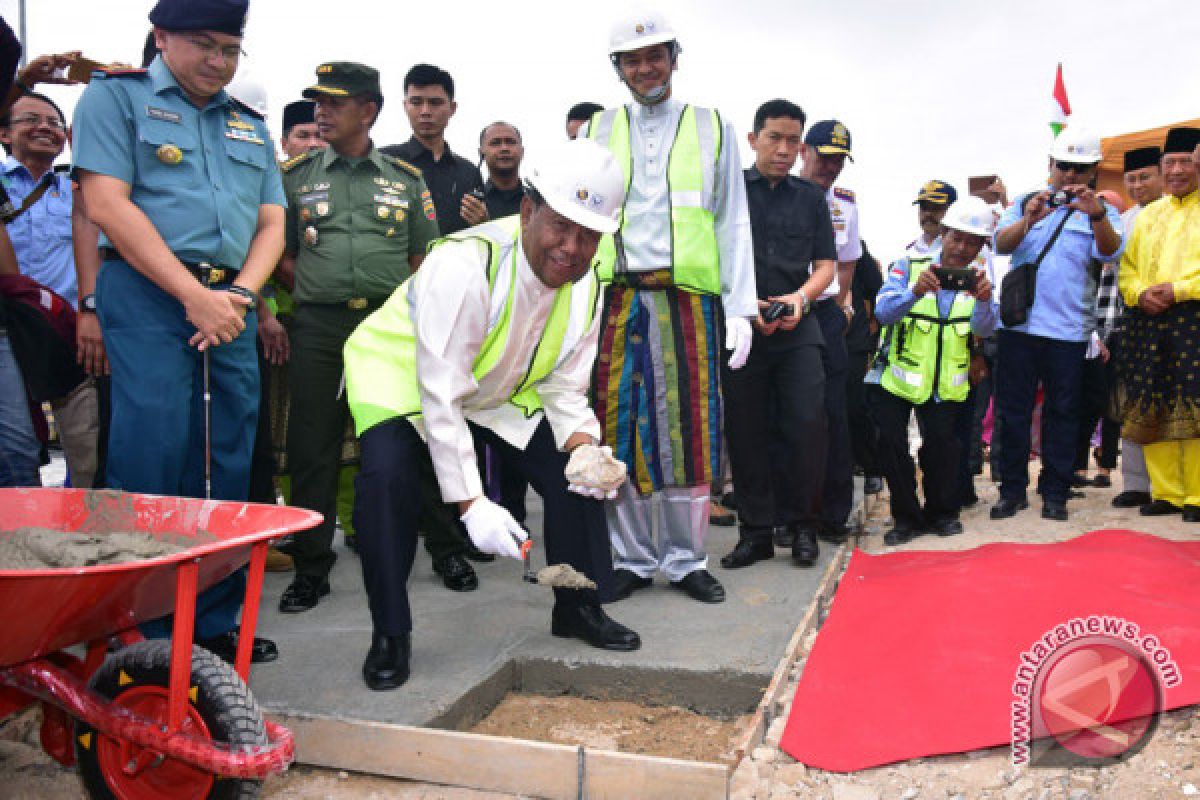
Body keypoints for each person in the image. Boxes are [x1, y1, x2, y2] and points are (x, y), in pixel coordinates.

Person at [342, 139, 642, 690]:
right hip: (406, 379)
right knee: (388, 483)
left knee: (573, 481)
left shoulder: (589, 278)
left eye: (589, 234)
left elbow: (566, 383)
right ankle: (391, 634)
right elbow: (441, 395)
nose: (572, 249)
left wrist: (582, 447)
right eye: (560, 226)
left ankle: (576, 606)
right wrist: (472, 502)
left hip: (495, 386)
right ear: (527, 211)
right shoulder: (464, 265)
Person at [70, 0, 284, 663]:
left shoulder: (248, 125)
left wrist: (240, 296)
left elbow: (271, 221)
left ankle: (213, 618)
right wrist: (194, 297)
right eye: (203, 45)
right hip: (148, 293)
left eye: (230, 49)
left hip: (231, 304)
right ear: (162, 37)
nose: (217, 61)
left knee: (227, 456)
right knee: (155, 451)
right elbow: (105, 203)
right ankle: (143, 624)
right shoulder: (116, 100)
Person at [586, 10, 756, 604]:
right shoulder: (598, 130)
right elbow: (583, 220)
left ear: (675, 58)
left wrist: (739, 308)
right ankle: (631, 559)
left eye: (655, 55)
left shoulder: (712, 125)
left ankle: (686, 560)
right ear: (618, 69)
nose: (644, 67)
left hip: (688, 303)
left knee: (691, 433)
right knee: (619, 431)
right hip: (619, 299)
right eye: (631, 59)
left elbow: (733, 218)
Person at [277, 62, 439, 613]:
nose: (321, 112)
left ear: (368, 110)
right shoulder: (295, 177)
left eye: (333, 103)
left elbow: (423, 260)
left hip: (387, 326)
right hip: (319, 327)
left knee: (399, 444)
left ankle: (438, 551)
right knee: (312, 447)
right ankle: (311, 569)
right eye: (317, 103)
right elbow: (283, 255)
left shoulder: (404, 180)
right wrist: (318, 291)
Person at [719, 99, 834, 571]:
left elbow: (826, 266)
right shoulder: (728, 194)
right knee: (746, 431)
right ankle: (757, 532)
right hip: (741, 327)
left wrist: (800, 300)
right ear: (753, 140)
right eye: (774, 138)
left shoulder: (810, 198)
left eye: (793, 141)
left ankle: (803, 527)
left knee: (807, 425)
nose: (784, 149)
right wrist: (745, 308)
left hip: (797, 326)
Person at [990, 127, 1122, 521]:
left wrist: (1094, 213)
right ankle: (1012, 491)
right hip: (1020, 328)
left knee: (1063, 412)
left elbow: (1111, 250)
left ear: (1094, 170)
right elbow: (1001, 244)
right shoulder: (1027, 202)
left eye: (1080, 168)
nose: (1070, 175)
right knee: (1012, 412)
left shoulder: (1103, 210)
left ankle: (1055, 492)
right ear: (1050, 165)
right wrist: (1029, 219)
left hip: (1069, 331)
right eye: (1064, 166)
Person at [871, 198, 998, 545]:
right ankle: (905, 518)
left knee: (943, 449)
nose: (962, 248)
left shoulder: (981, 278)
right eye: (957, 238)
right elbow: (883, 312)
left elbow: (985, 329)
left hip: (945, 383)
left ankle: (942, 514)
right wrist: (914, 292)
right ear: (943, 234)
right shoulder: (908, 265)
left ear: (982, 246)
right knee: (893, 446)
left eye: (972, 242)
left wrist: (986, 301)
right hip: (898, 378)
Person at [1, 91, 101, 489]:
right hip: (8, 330)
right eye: (29, 119)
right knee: (15, 447)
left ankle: (77, 529)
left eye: (55, 122)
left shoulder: (81, 190)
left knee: (86, 446)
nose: (44, 127)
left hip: (66, 330)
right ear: (4, 134)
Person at [1116, 127, 1200, 521]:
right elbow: (1127, 269)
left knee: (1195, 405)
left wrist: (1178, 290)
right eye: (1171, 163)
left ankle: (1197, 495)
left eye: (1187, 162)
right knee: (1154, 402)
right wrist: (1138, 294)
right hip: (1148, 320)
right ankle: (1167, 492)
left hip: (1193, 316)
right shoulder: (1149, 215)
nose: (1178, 170)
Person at [798, 119, 860, 544]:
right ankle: (792, 515)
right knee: (794, 418)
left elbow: (849, 258)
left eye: (839, 160)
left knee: (836, 415)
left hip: (824, 314)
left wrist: (843, 301)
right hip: (785, 311)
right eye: (825, 157)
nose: (831, 167)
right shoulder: (781, 194)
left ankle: (833, 515)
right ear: (805, 151)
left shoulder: (846, 203)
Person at [1110, 145, 1163, 509]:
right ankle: (1135, 482)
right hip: (1132, 317)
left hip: (1179, 316)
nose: (1138, 184)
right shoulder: (1123, 221)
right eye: (1132, 179)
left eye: (1146, 176)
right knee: (1133, 401)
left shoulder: (1183, 212)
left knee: (1175, 402)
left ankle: (1170, 487)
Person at [381, 64, 483, 235]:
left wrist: (483, 222)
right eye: (416, 102)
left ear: (452, 108)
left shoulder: (469, 172)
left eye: (435, 103)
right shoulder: (385, 161)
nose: (425, 111)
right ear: (405, 106)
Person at [479, 121, 525, 219]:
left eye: (510, 142)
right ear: (481, 153)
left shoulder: (538, 202)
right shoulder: (472, 204)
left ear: (522, 151)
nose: (504, 148)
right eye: (495, 143)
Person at [906, 180, 957, 258]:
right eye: (924, 208)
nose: (928, 214)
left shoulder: (965, 251)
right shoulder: (909, 251)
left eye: (936, 208)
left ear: (953, 210)